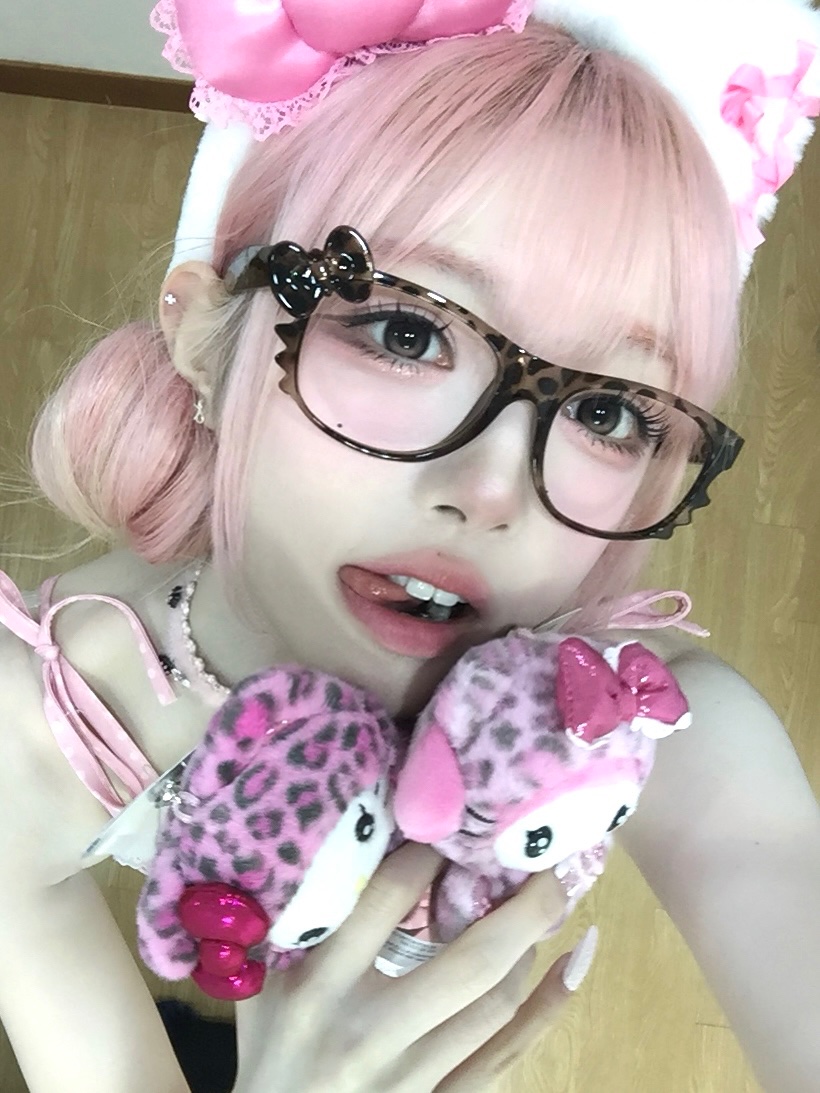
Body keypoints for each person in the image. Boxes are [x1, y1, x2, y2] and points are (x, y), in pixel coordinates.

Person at [0, 2, 818, 1091]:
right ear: (204, 333)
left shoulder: (639, 724)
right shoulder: (37, 727)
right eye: (407, 331)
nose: (488, 492)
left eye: (608, 411)